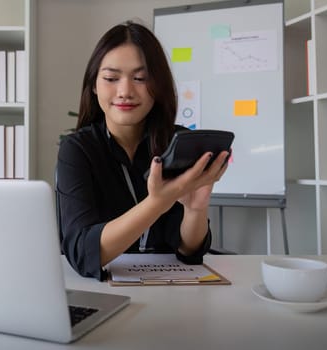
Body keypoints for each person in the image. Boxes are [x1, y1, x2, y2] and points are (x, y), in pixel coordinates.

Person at [56, 21, 230, 280]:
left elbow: (189, 251)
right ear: (94, 86)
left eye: (140, 78)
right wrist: (157, 203)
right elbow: (83, 253)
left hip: (172, 292)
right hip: (102, 292)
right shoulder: (78, 150)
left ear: (157, 86)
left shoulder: (177, 142)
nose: (125, 91)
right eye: (111, 78)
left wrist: (196, 209)